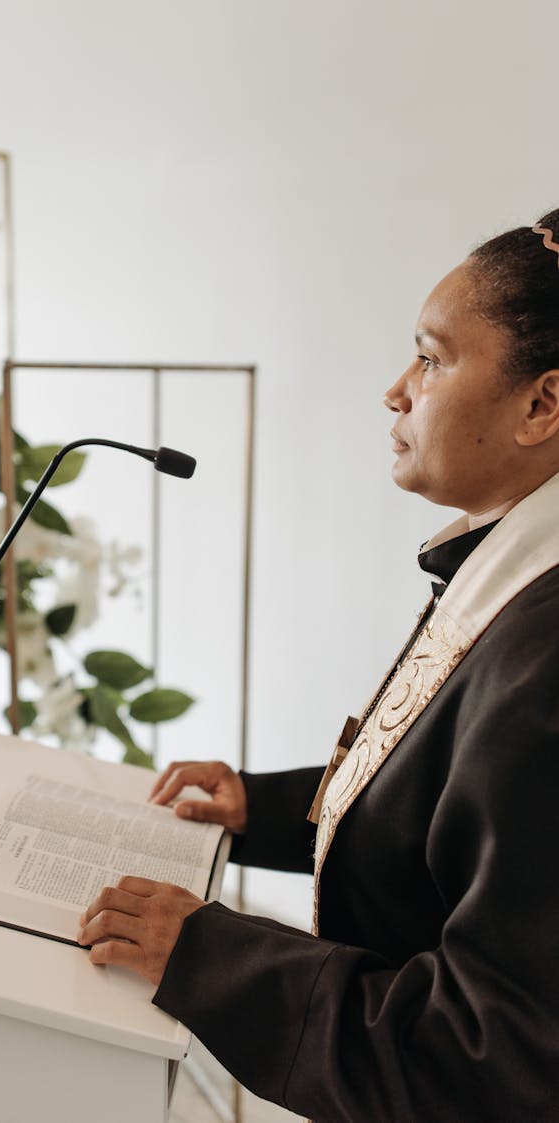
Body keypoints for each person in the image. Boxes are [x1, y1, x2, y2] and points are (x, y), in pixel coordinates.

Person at [77, 210, 559, 1121]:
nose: (396, 390)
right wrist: (260, 808)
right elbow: (452, 817)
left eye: (431, 358)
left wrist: (213, 956)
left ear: (541, 405)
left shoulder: (549, 660)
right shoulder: (514, 569)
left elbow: (490, 1058)